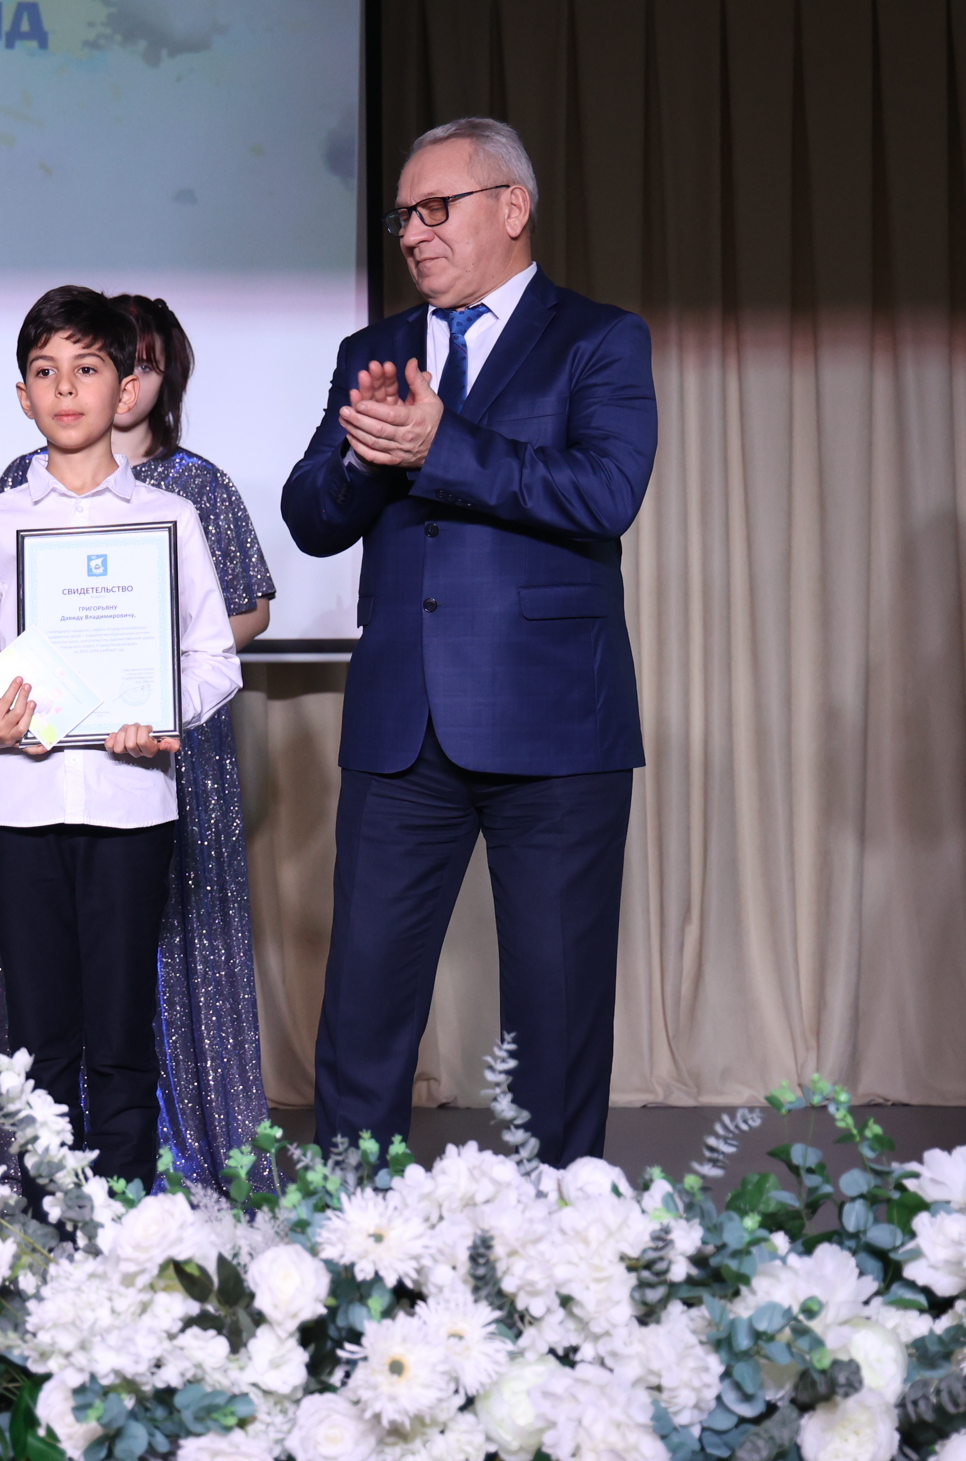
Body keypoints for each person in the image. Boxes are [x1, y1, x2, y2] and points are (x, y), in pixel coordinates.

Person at [280, 117, 657, 1164]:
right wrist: (364, 459)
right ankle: (353, 1231)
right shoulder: (373, 352)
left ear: (513, 207)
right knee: (363, 1012)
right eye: (403, 215)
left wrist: (441, 444)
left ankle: (555, 1236)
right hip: (401, 728)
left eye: (436, 208)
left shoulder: (599, 339)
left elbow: (606, 492)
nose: (413, 233)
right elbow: (310, 516)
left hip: (557, 726)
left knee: (557, 1016)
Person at [0, 286, 242, 1194]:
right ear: (22, 396)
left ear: (127, 389)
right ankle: (45, 1223)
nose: (65, 388)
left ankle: (121, 1225)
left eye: (88, 368)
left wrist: (160, 709)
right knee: (38, 1034)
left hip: (130, 805)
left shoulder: (170, 517)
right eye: (45, 371)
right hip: (20, 811)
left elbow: (215, 659)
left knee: (120, 1031)